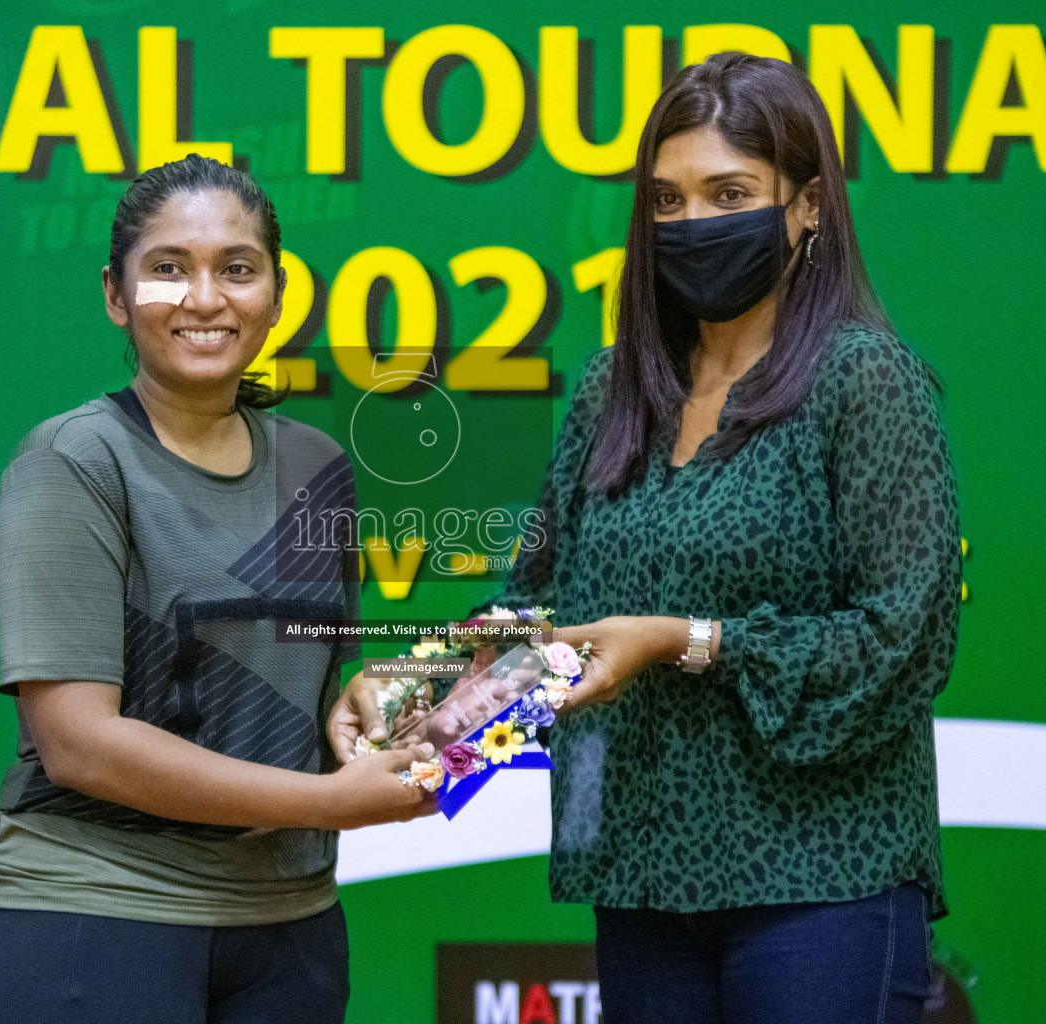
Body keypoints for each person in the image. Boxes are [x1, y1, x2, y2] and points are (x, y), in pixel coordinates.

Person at [330, 52, 961, 1023]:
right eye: (668, 200)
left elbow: (903, 641)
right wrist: (414, 689)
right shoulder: (611, 388)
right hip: (643, 880)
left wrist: (687, 639)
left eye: (731, 192)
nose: (695, 225)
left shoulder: (865, 384)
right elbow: (542, 608)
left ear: (808, 209)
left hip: (822, 879)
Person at [0, 155, 436, 1024]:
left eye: (237, 268)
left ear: (277, 294)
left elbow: (313, 682)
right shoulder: (73, 461)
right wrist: (331, 802)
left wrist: (365, 706)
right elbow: (80, 746)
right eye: (168, 269)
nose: (205, 298)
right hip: (98, 913)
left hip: (290, 927)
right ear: (117, 294)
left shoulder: (318, 467)